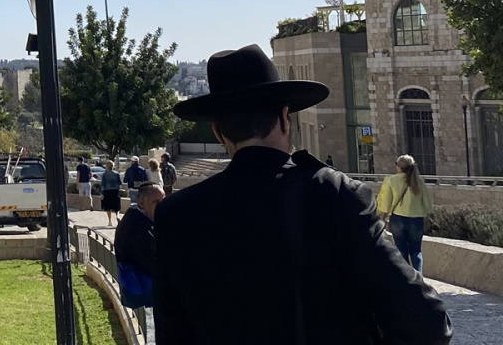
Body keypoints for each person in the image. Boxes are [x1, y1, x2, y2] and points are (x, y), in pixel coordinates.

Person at [154, 44, 451, 345]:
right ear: (285, 118)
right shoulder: (335, 196)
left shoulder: (176, 216)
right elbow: (427, 323)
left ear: (218, 132)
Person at [379, 154, 435, 274]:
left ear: (399, 167)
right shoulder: (419, 181)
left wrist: (382, 219)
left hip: (398, 219)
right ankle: (418, 278)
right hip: (416, 219)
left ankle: (406, 279)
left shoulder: (391, 180)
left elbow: (386, 202)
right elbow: (426, 202)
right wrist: (428, 218)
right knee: (416, 251)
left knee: (401, 250)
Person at [115, 182, 165, 311]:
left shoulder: (139, 218)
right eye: (155, 202)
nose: (161, 206)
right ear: (142, 203)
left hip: (147, 292)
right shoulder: (136, 226)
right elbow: (150, 262)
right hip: (145, 294)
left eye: (163, 200)